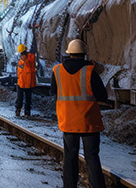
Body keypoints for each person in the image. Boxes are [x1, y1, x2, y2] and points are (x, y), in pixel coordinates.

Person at [50, 39, 107, 188]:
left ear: (69, 53)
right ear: (84, 54)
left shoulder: (57, 71)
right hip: (88, 122)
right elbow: (103, 96)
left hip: (68, 121)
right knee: (92, 157)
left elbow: (54, 92)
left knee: (69, 157)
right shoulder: (89, 71)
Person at [15, 43, 36, 117]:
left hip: (22, 82)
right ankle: (27, 113)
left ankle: (19, 110)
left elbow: (20, 71)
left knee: (20, 98)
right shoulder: (31, 57)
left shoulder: (23, 60)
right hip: (28, 82)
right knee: (28, 99)